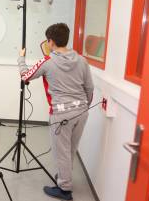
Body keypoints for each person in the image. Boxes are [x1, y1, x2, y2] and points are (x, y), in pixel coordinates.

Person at [18, 23, 94, 200]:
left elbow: (25, 76)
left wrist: (21, 58)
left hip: (61, 114)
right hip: (82, 111)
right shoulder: (82, 60)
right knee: (70, 149)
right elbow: (89, 88)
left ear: (50, 41)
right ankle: (63, 177)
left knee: (61, 152)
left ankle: (65, 189)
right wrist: (84, 106)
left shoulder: (47, 61)